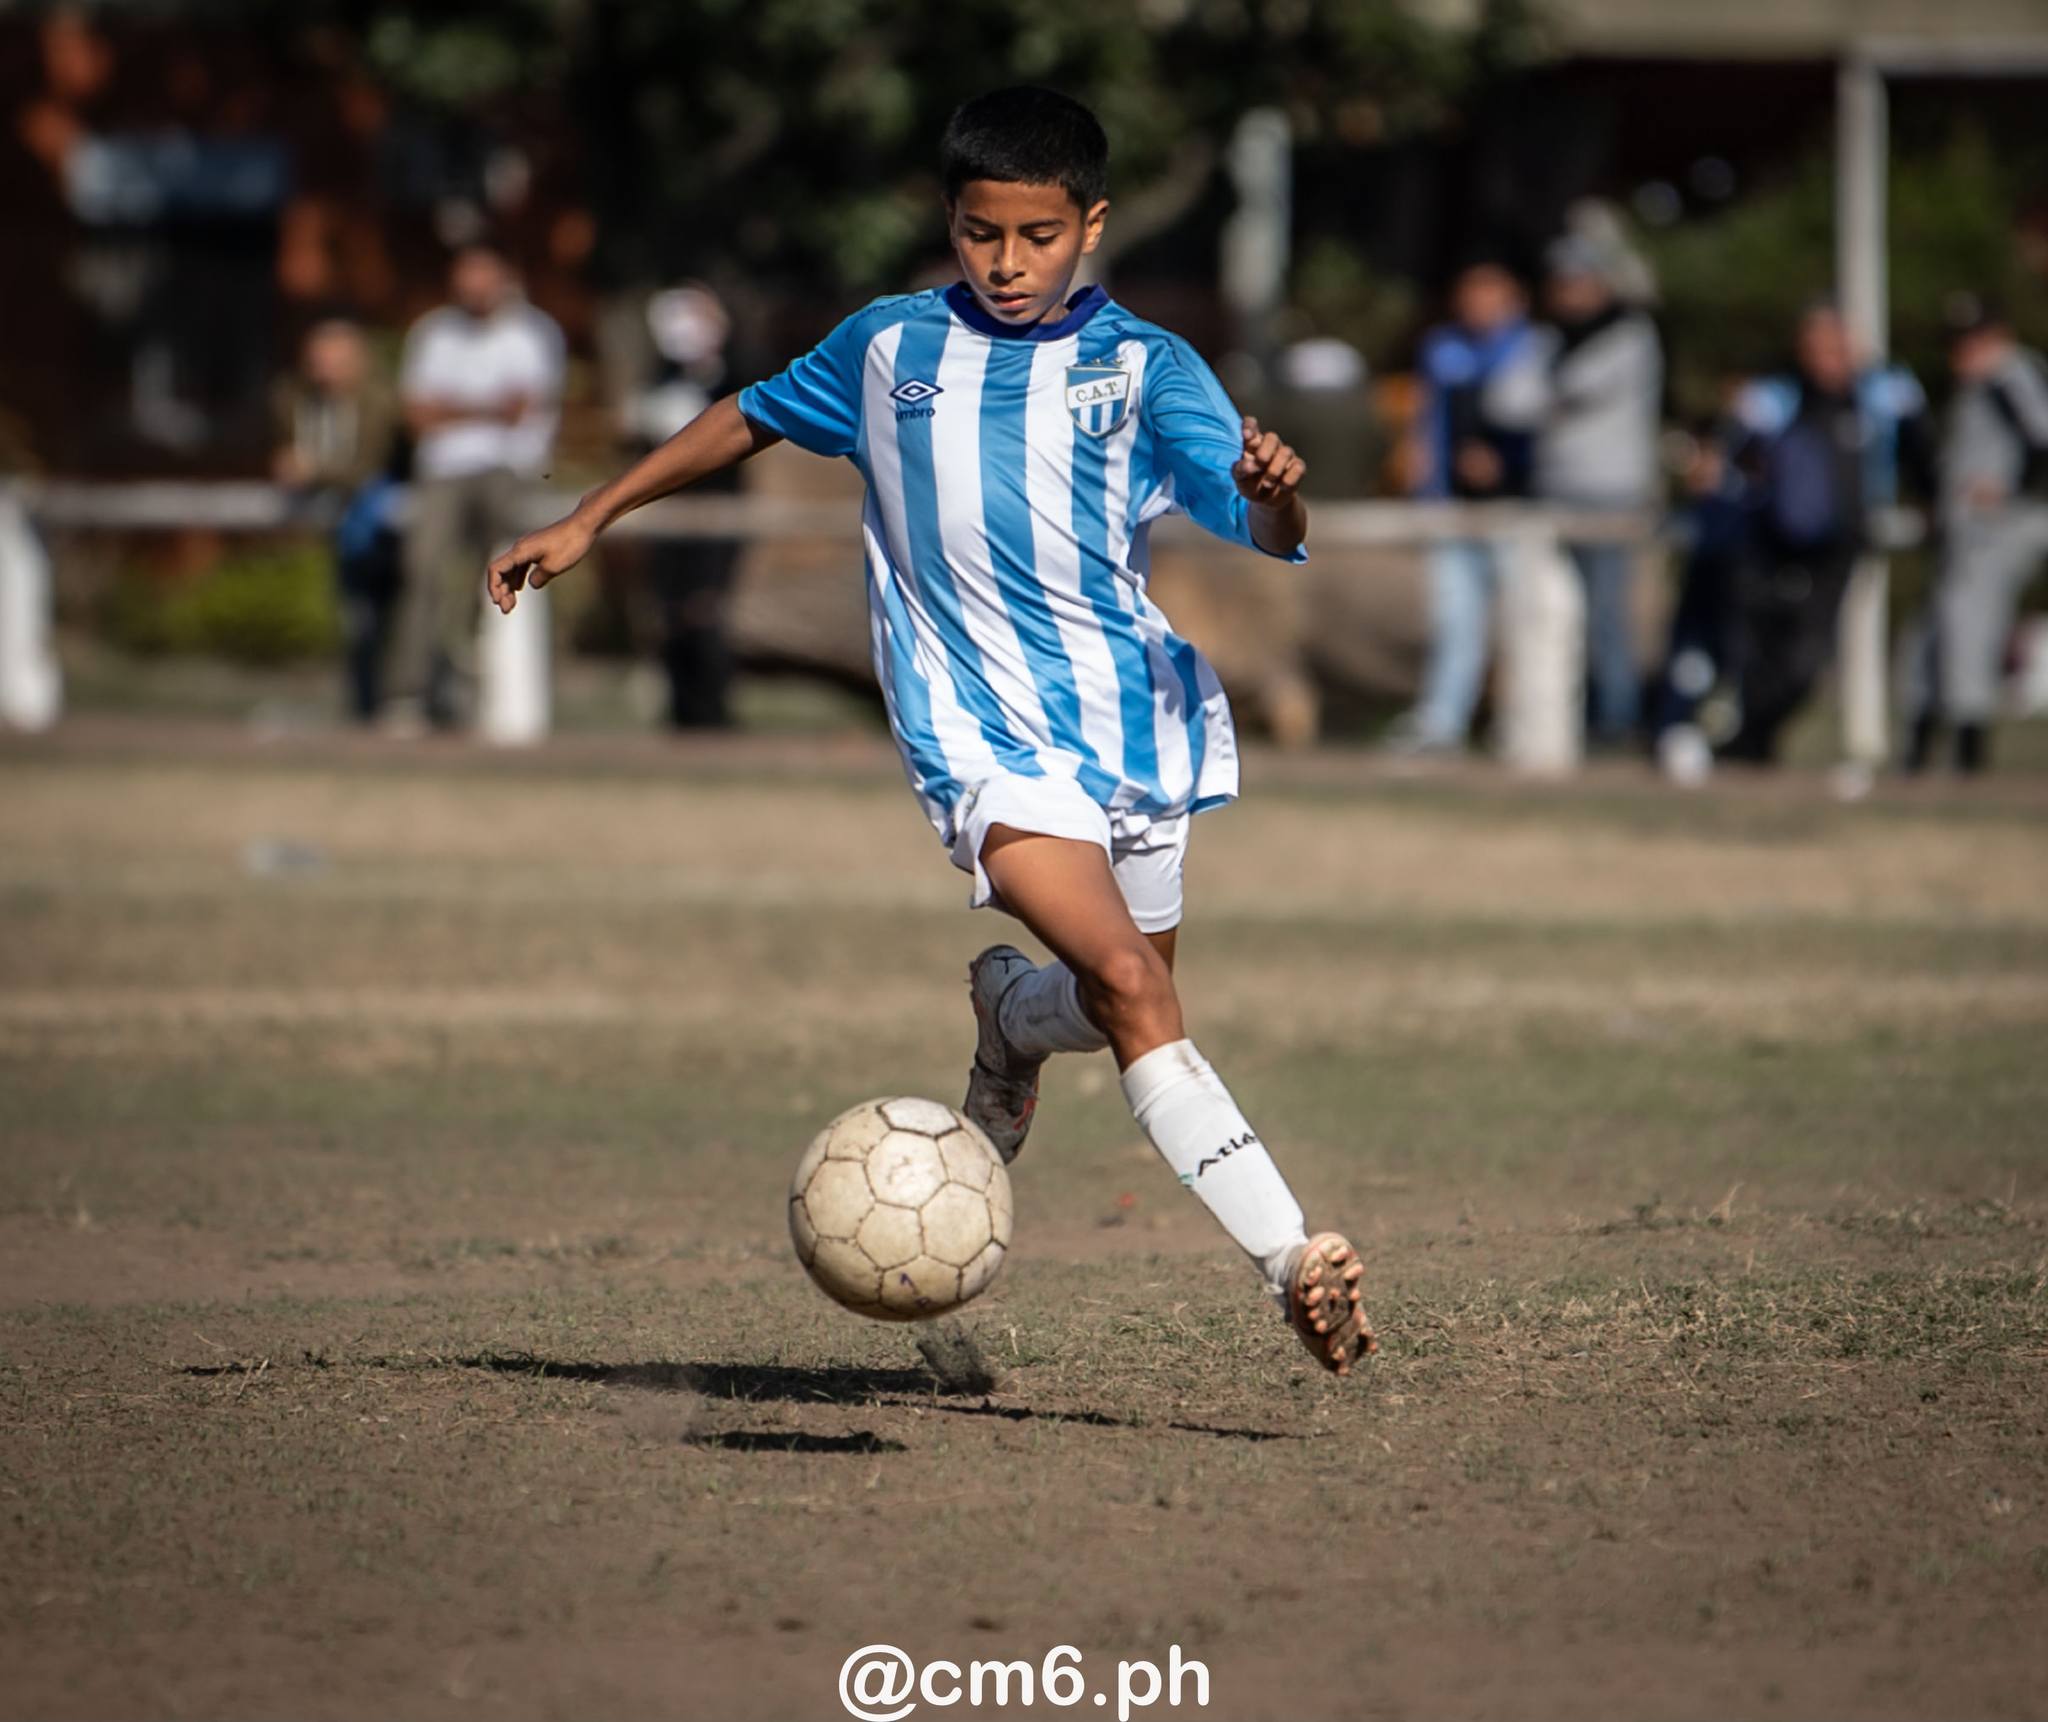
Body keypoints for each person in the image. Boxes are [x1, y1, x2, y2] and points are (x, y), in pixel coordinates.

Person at [487, 87, 1373, 1377]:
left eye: (1035, 236)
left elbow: (1270, 533)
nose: (1006, 264)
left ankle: (1012, 1018)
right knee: (1132, 987)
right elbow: (744, 415)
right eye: (978, 234)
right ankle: (1291, 1257)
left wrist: (1274, 498)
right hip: (974, 733)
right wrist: (590, 516)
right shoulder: (887, 347)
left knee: (1123, 997)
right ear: (948, 224)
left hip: (1133, 722)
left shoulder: (1146, 368)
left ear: (1090, 226)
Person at [1718, 302, 1930, 765]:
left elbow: (1923, 457)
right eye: (1816, 348)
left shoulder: (1883, 395)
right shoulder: (1775, 398)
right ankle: (1749, 745)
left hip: (1840, 545)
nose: (1827, 359)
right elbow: (1733, 458)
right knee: (1758, 649)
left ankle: (1751, 739)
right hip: (1770, 544)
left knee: (1807, 658)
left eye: (1837, 347)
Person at [1488, 235, 1664, 746]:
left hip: (1612, 499)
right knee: (1545, 617)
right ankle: (1554, 726)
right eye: (1562, 284)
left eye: (1581, 282)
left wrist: (1546, 398)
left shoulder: (1631, 336)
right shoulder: (1546, 342)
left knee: (1610, 617)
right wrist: (1549, 399)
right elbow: (1507, 404)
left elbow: (1573, 389)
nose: (1571, 293)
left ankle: (1615, 722)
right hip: (1551, 496)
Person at [390, 241, 563, 732]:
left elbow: (525, 412)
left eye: (483, 274)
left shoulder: (533, 333)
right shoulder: (433, 333)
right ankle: (409, 693)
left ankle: (498, 692)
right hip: (442, 471)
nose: (473, 285)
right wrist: (488, 409)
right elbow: (418, 417)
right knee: (422, 569)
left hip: (509, 469)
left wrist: (454, 407)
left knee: (510, 569)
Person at [1385, 260, 1537, 755]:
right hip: (1450, 508)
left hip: (1517, 510)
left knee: (1525, 622)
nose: (1476, 304)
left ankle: (1524, 727)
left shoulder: (1532, 348)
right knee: (1455, 621)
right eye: (1469, 293)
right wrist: (1421, 465)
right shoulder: (1443, 347)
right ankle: (1442, 723)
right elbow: (1427, 418)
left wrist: (1506, 463)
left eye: (1488, 293)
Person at [1903, 299, 2048, 774]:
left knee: (1968, 624)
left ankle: (1968, 751)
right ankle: (1923, 747)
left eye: (1974, 340)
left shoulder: (2010, 374)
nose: (1963, 351)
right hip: (1970, 533)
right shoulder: (1980, 385)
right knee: (1934, 631)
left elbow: (2041, 439)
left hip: (2002, 530)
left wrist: (2011, 488)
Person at [271, 314, 404, 722]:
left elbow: (366, 465)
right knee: (355, 616)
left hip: (385, 520)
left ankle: (397, 700)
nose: (321, 370)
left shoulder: (380, 400)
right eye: (315, 360)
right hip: (331, 519)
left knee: (384, 615)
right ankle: (365, 706)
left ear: (357, 362)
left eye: (332, 360)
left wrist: (313, 470)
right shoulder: (291, 396)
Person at [626, 284, 744, 729]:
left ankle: (713, 715)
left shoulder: (735, 381)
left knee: (707, 613)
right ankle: (680, 715)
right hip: (669, 515)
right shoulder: (658, 385)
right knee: (670, 615)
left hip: (719, 514)